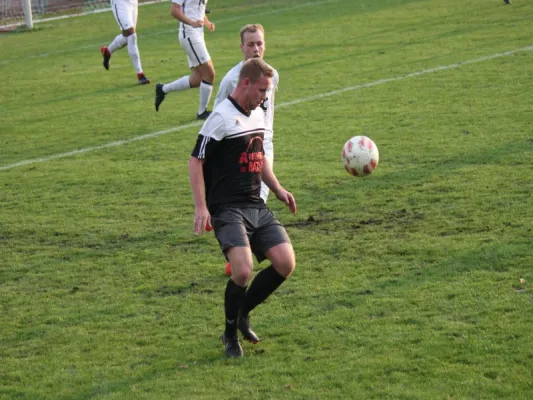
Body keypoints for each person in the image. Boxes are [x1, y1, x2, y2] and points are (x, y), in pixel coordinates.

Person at [188, 58, 296, 358]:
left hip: (254, 203)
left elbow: (258, 160)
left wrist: (278, 189)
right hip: (226, 208)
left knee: (285, 263)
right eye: (262, 90)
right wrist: (201, 207)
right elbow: (195, 160)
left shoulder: (258, 113)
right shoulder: (220, 118)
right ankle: (229, 334)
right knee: (243, 269)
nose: (265, 96)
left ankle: (242, 313)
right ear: (245, 83)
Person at [214, 24, 279, 276]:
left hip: (265, 143)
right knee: (248, 199)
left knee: (258, 197)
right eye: (250, 44)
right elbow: (218, 115)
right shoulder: (231, 79)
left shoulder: (273, 74)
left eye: (259, 43)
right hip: (239, 146)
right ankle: (239, 252)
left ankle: (240, 254)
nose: (255, 48)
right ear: (241, 47)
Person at [155, 0, 215, 119]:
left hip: (197, 33)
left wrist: (207, 22)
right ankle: (202, 112)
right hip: (189, 34)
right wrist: (192, 22)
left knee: (198, 79)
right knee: (209, 73)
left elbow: (196, 8)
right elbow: (174, 10)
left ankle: (163, 89)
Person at [100, 0, 150, 84]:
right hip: (120, 3)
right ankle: (140, 74)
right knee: (131, 35)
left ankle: (107, 51)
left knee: (128, 37)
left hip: (133, 2)